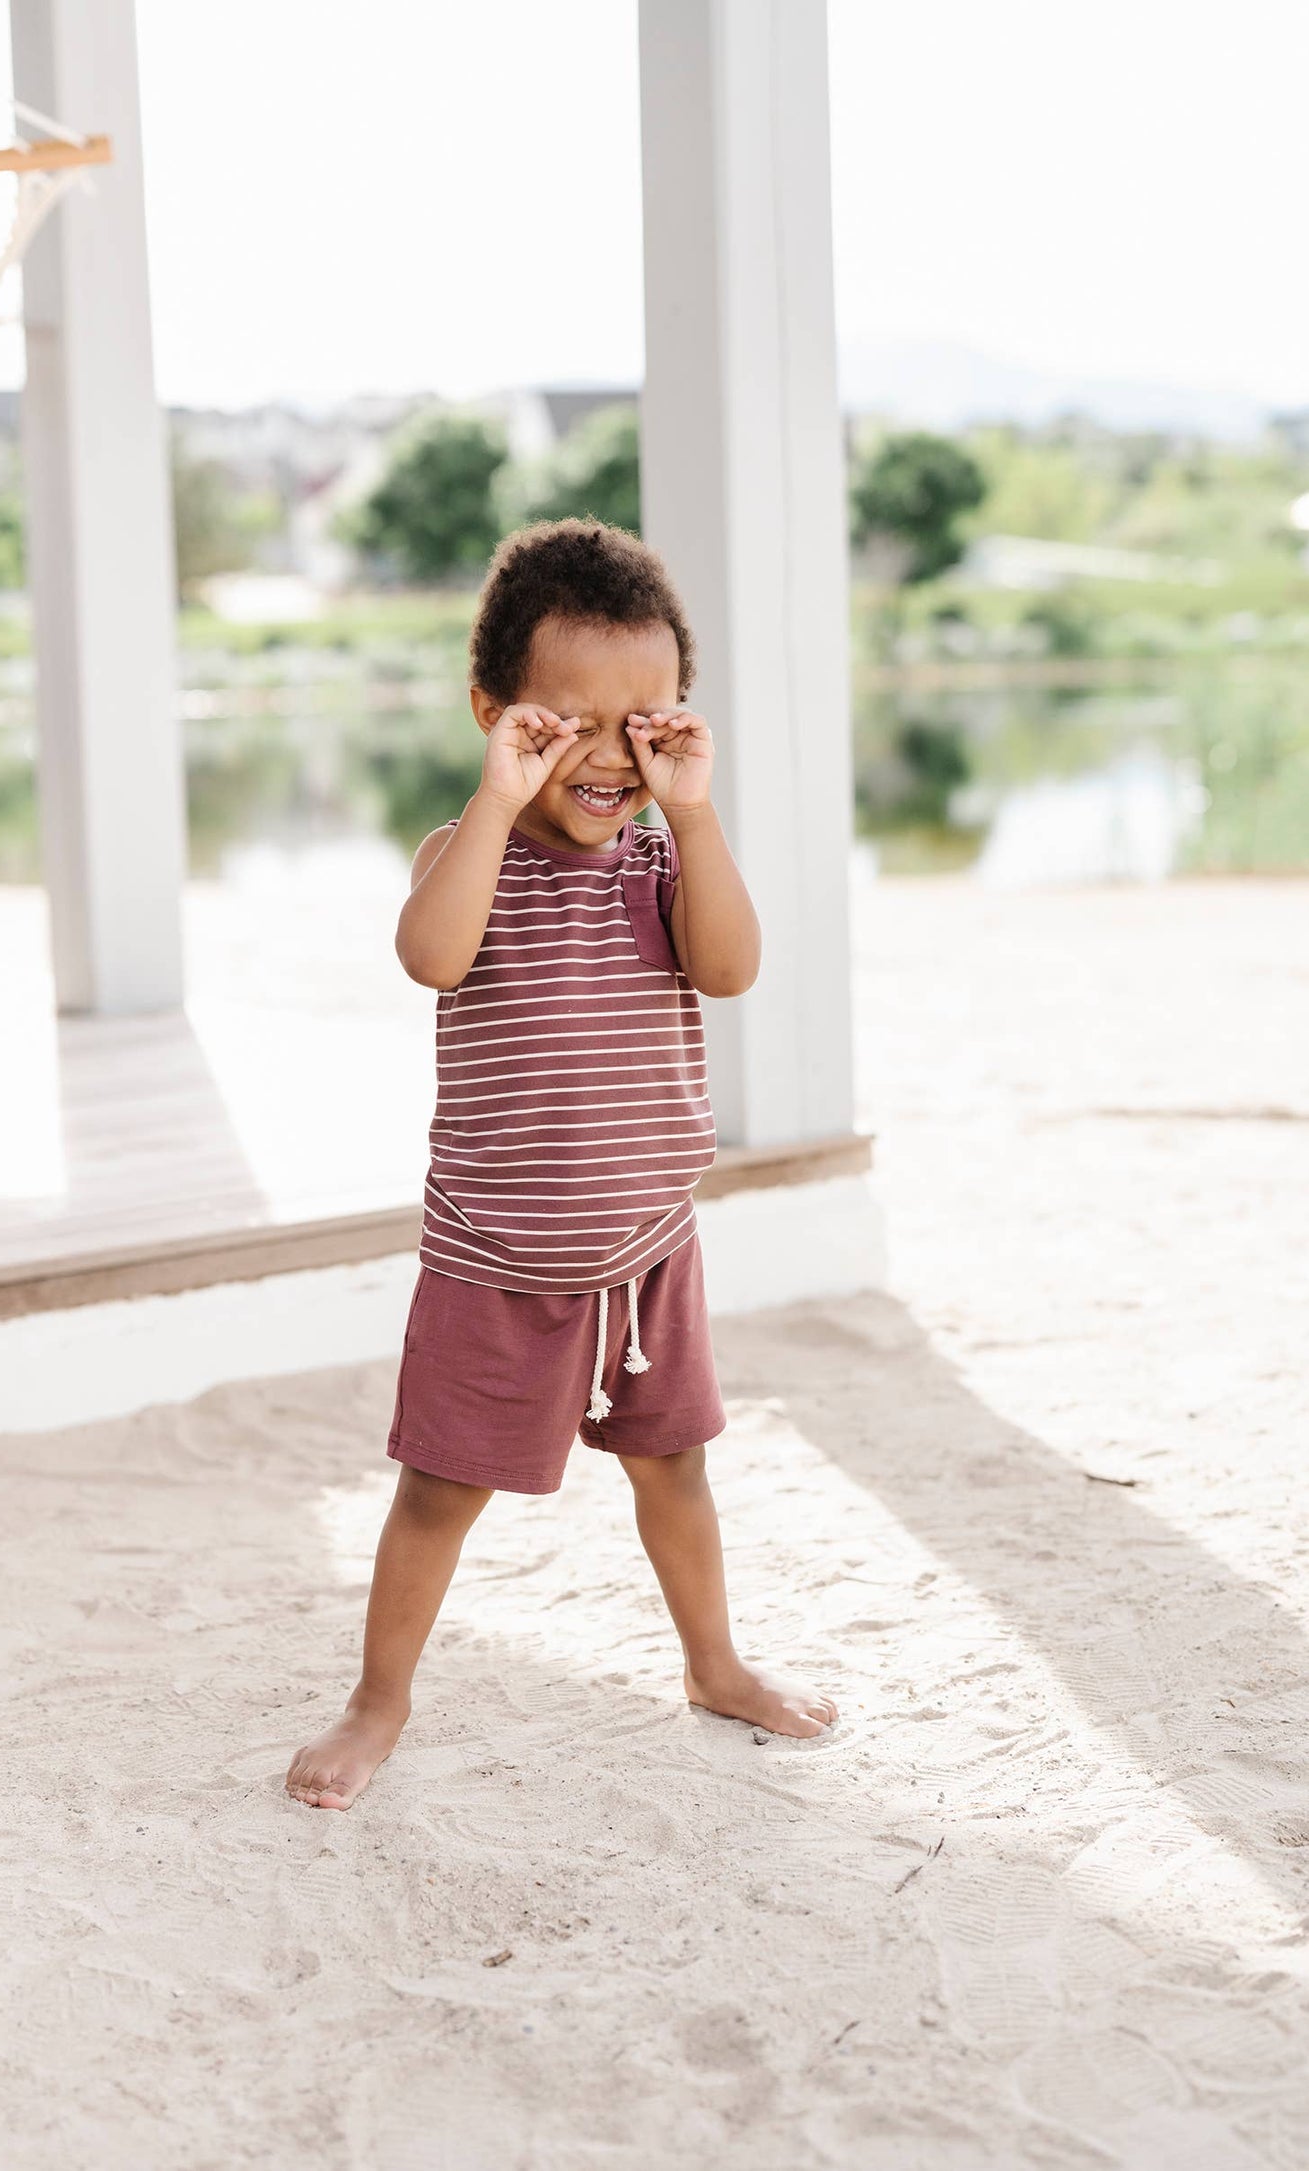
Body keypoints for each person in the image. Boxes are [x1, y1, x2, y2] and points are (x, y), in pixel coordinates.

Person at [287, 519, 837, 1810]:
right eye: (563, 724)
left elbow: (730, 968)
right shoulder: (466, 855)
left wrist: (694, 818)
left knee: (677, 1468)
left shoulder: (661, 861)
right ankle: (379, 1700)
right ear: (493, 713)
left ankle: (712, 1663)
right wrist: (492, 797)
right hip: (496, 1261)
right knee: (439, 1494)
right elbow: (430, 954)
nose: (607, 757)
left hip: (648, 1248)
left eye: (645, 724)